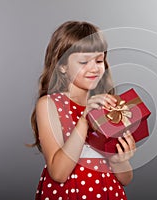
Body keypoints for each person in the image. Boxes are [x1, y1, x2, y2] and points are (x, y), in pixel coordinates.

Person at [30, 21, 136, 200]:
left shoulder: (107, 105)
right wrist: (84, 120)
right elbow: (58, 173)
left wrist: (120, 161)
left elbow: (125, 179)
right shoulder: (49, 105)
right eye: (84, 61)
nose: (94, 68)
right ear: (62, 66)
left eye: (99, 60)